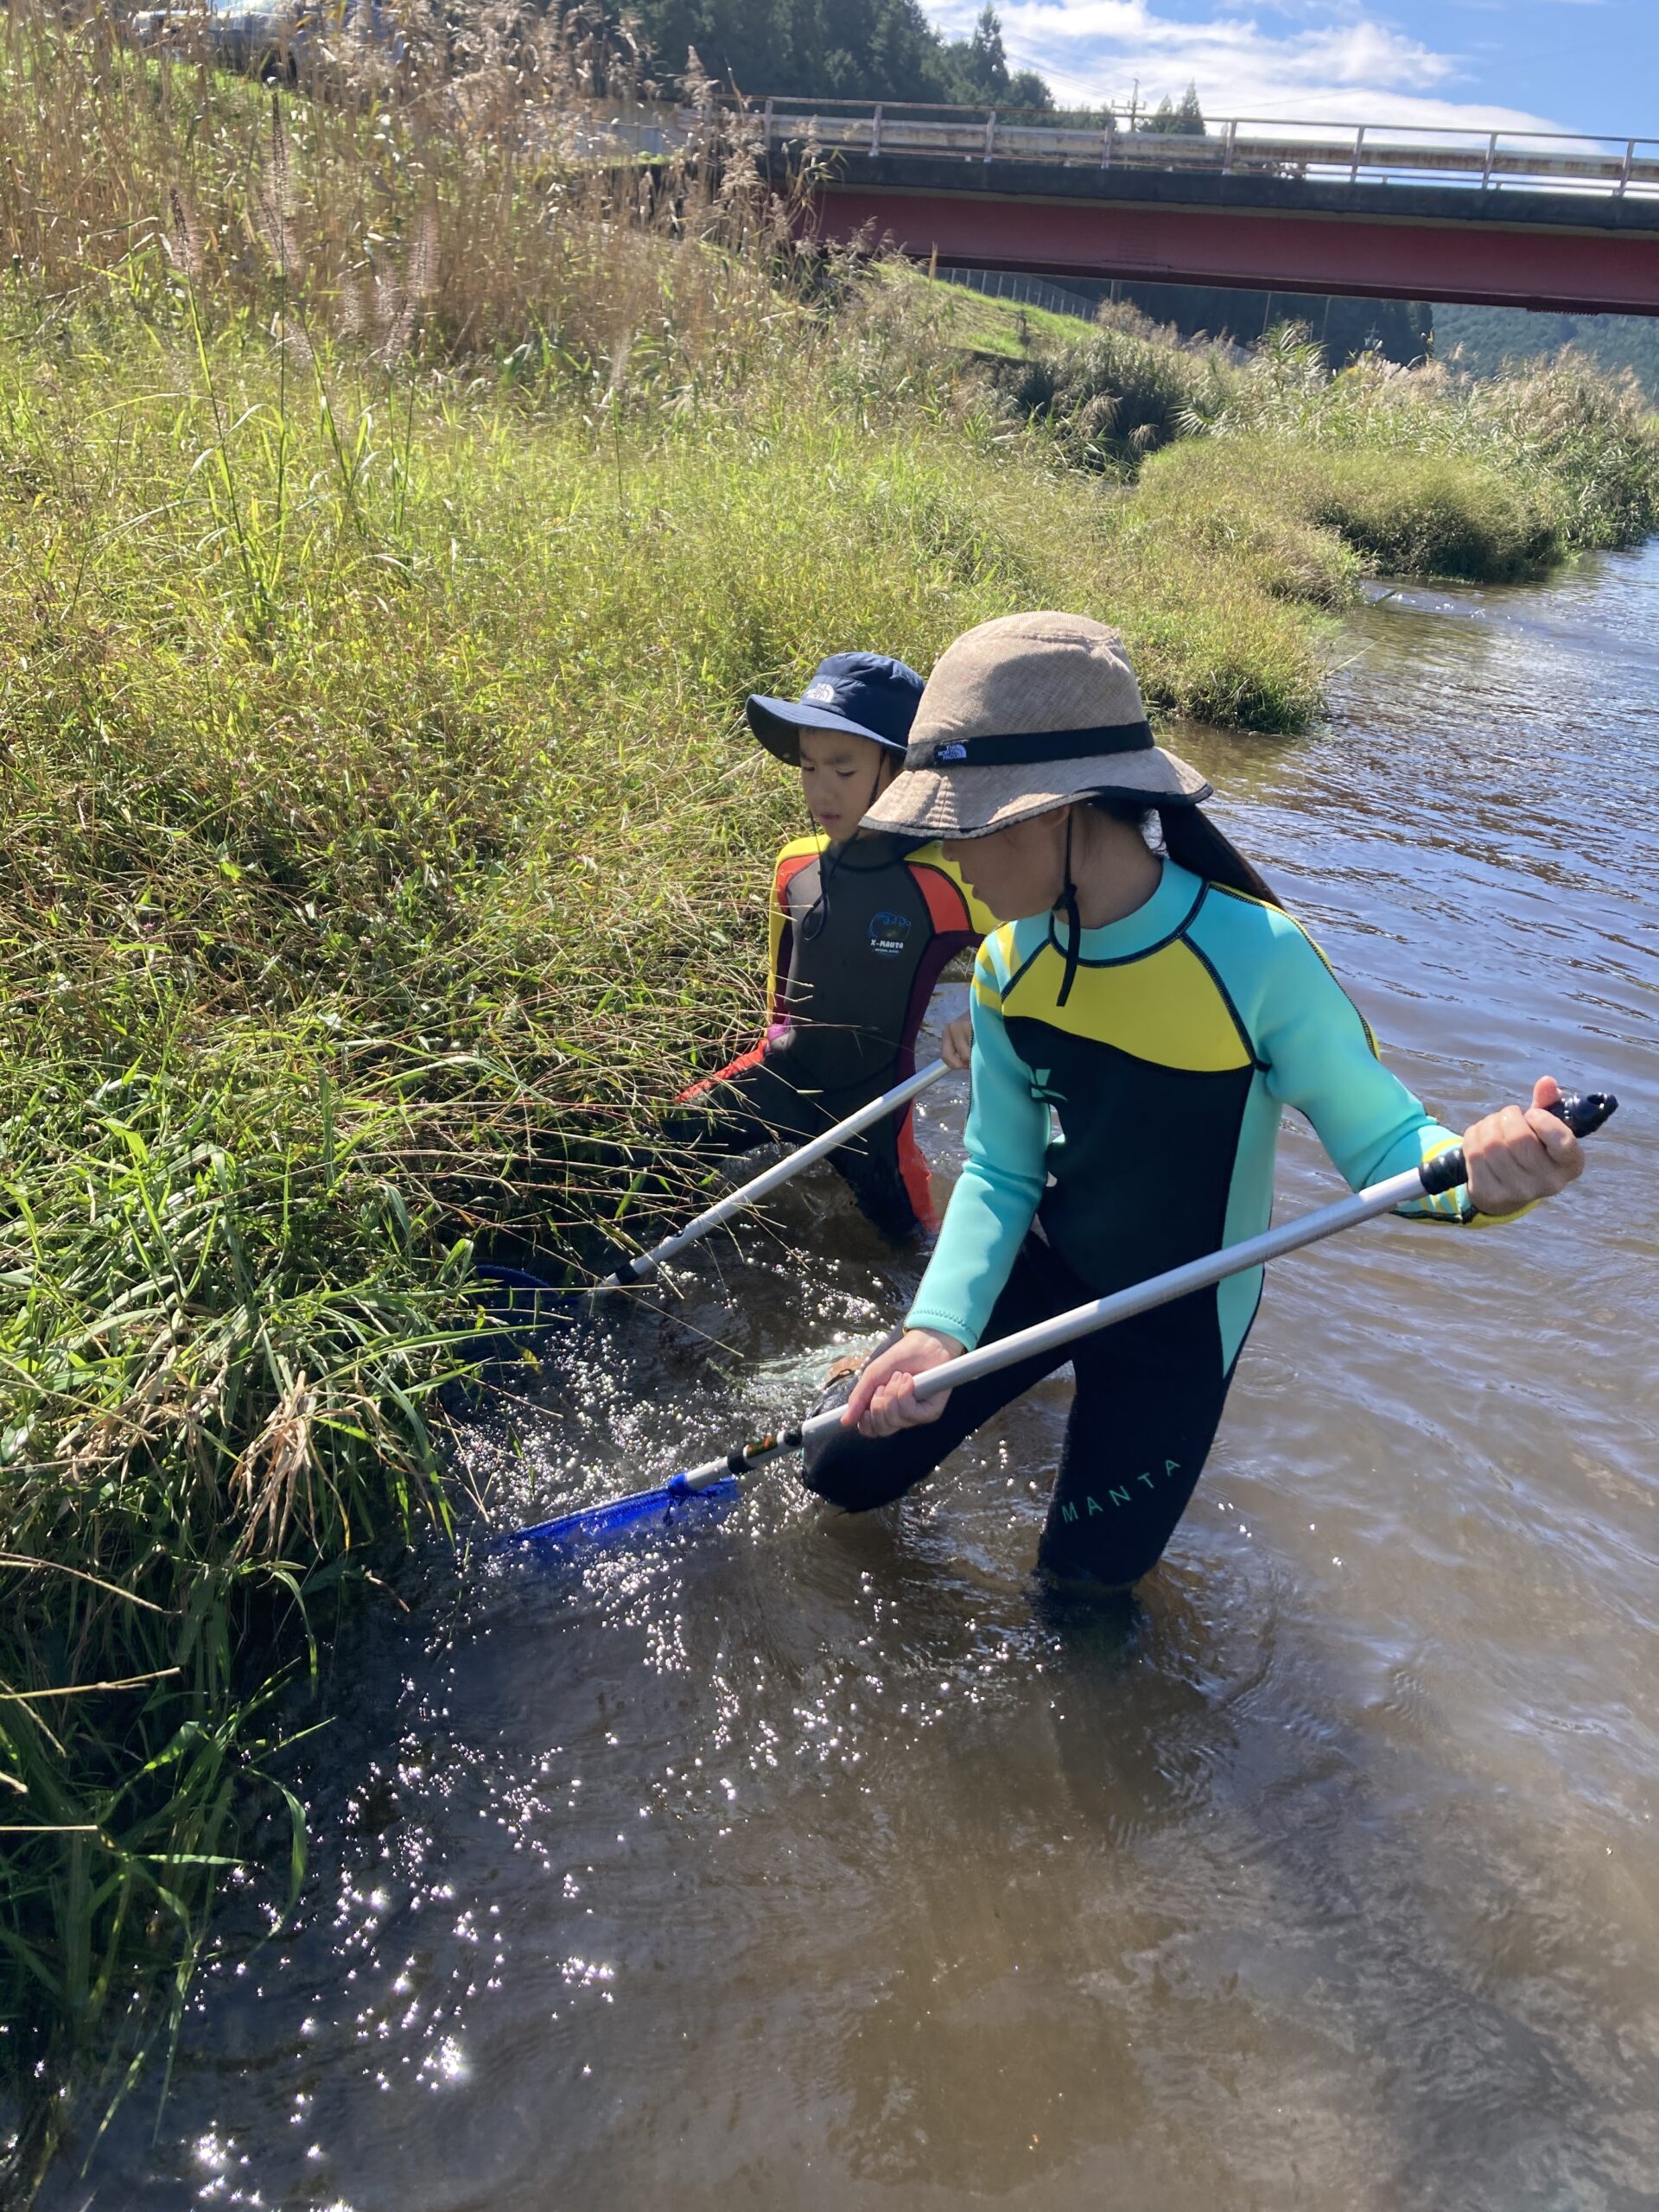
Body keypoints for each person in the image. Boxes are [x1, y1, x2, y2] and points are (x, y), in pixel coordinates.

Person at [804, 612, 1586, 1589]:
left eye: (963, 824)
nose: (951, 857)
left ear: (1056, 811)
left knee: (1079, 1593)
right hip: (1048, 1261)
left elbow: (1392, 1151)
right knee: (838, 1464)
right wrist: (937, 1329)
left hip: (1178, 1310)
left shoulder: (1259, 959)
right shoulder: (1009, 963)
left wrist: (1487, 1174)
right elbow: (1004, 1168)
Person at [670, 652, 992, 1243]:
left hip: (872, 1109)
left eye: (844, 770)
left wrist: (984, 1010)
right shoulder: (795, 864)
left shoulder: (949, 878)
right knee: (656, 1147)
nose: (822, 789)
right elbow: (779, 1005)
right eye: (809, 766)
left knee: (911, 1249)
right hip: (786, 1072)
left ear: (900, 768)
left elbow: (1041, 939)